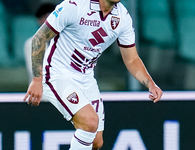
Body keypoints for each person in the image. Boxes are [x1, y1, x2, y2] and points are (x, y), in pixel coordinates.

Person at [23, 0, 163, 149]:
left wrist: (150, 83)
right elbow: (39, 38)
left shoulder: (123, 17)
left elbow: (132, 59)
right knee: (89, 122)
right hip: (58, 74)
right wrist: (37, 79)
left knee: (96, 142)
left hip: (86, 78)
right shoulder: (74, 6)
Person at [24, 2, 56, 83]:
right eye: (46, 17)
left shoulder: (65, 42)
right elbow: (34, 71)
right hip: (40, 90)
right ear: (39, 20)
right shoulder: (31, 43)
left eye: (52, 18)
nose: (50, 21)